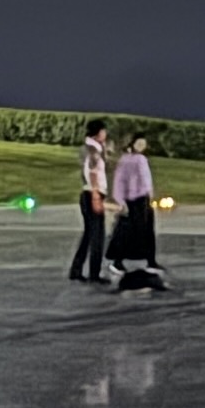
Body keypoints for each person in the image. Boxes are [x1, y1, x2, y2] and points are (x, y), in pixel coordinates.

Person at [107, 133, 165, 291]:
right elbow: (119, 181)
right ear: (132, 144)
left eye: (143, 143)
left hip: (144, 200)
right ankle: (117, 261)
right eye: (139, 143)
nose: (141, 146)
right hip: (132, 201)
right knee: (126, 231)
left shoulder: (142, 159)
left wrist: (150, 195)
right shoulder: (126, 160)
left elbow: (147, 180)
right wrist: (120, 201)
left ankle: (150, 260)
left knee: (147, 230)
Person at [69, 118, 114, 284]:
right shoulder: (93, 150)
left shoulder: (92, 148)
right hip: (93, 194)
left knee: (89, 234)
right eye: (103, 131)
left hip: (88, 194)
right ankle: (94, 274)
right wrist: (96, 195)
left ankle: (76, 270)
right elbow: (93, 173)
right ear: (98, 132)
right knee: (97, 236)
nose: (105, 133)